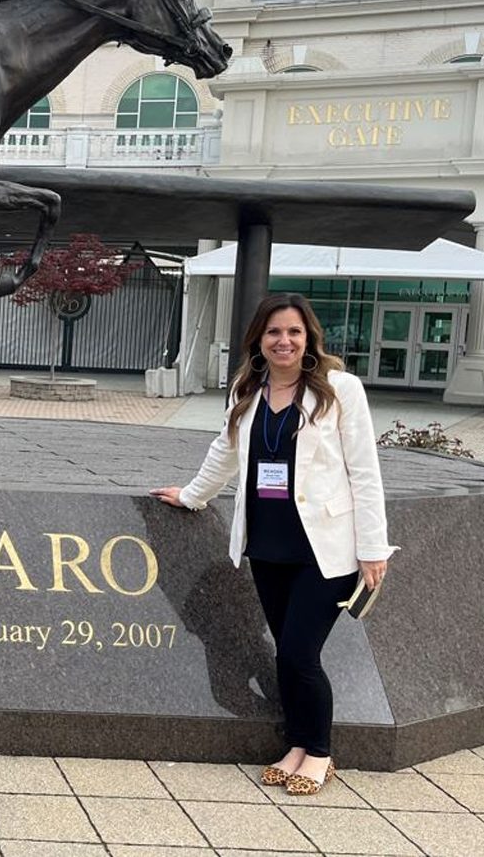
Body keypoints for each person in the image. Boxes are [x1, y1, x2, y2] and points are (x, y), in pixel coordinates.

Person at [151, 293, 393, 797]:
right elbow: (226, 450)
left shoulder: (339, 390)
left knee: (302, 654)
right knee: (286, 652)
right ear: (259, 340)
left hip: (324, 549)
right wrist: (192, 495)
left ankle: (320, 753)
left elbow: (365, 473)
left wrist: (373, 547)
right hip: (267, 545)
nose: (284, 341)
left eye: (294, 332)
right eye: (274, 333)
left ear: (309, 339)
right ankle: (297, 745)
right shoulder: (248, 388)